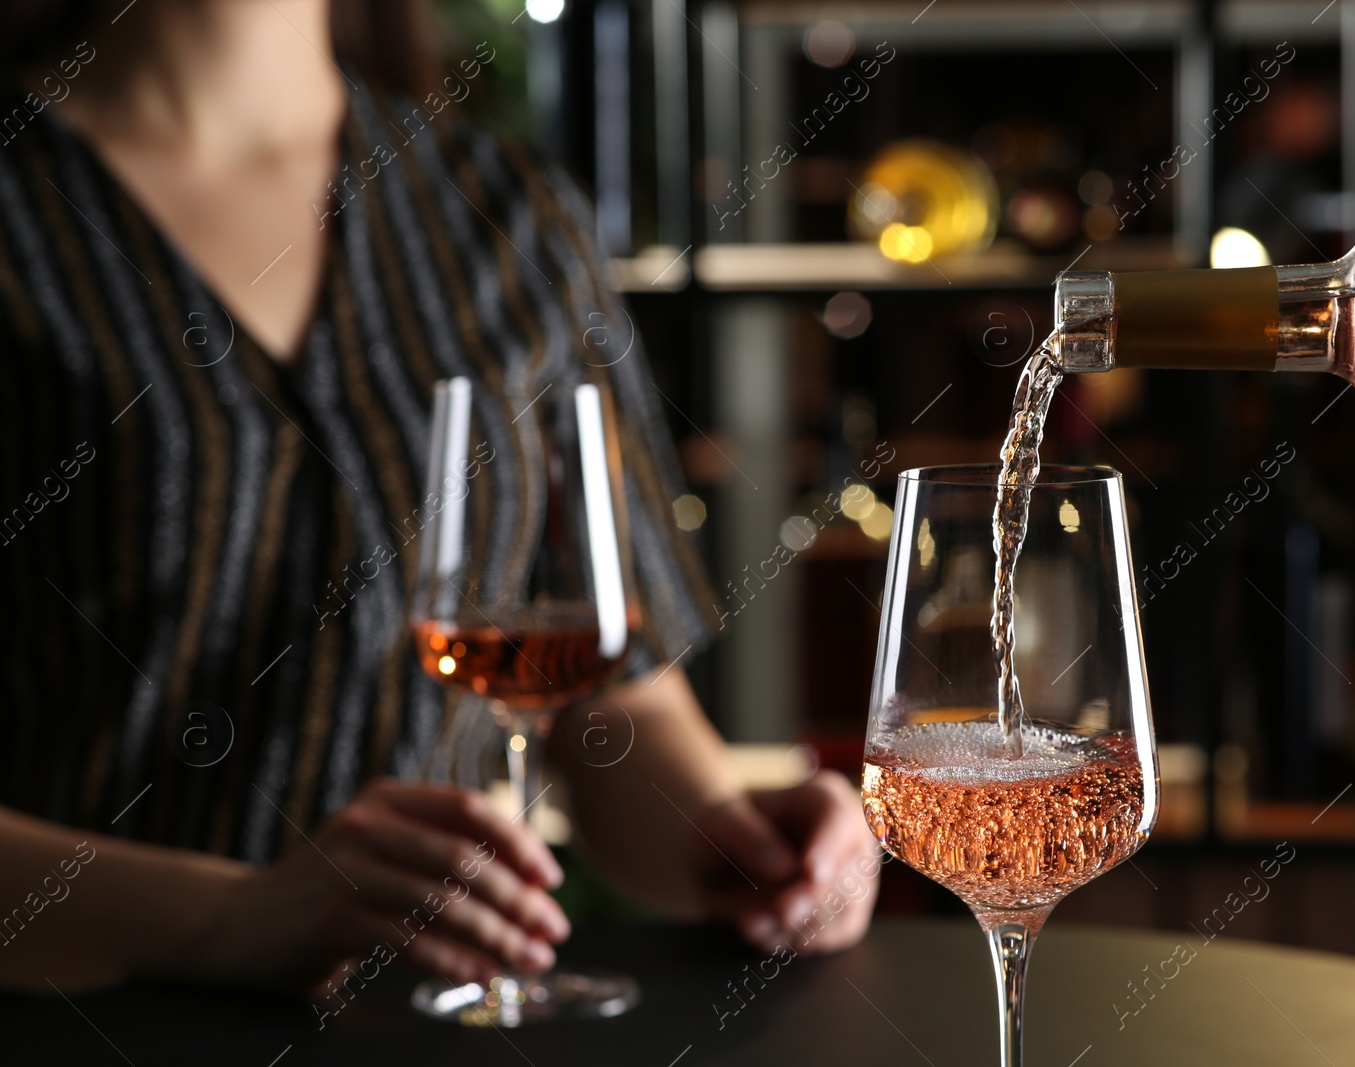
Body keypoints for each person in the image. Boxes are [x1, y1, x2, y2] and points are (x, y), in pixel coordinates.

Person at [0, 0, 878, 995]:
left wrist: (746, 846)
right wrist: (224, 918)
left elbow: (615, 710)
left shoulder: (511, 215)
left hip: (437, 1032)